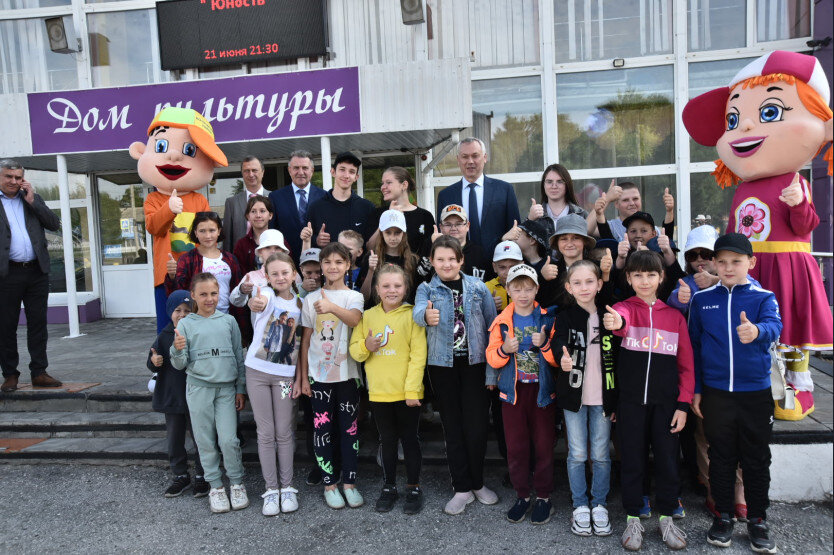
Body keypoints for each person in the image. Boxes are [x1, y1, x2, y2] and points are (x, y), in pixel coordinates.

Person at [683, 50, 833, 421]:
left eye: (769, 112)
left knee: (791, 325)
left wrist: (799, 204)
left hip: (787, 265)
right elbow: (735, 235)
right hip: (751, 269)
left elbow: (807, 226)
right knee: (753, 326)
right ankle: (764, 381)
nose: (746, 126)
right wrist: (721, 271)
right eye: (734, 119)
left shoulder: (795, 180)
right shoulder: (742, 188)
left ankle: (798, 387)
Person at [688, 233, 783, 553]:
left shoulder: (764, 297)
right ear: (714, 263)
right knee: (721, 456)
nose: (728, 268)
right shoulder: (702, 300)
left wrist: (757, 331)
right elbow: (694, 347)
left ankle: (758, 519)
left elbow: (775, 327)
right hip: (716, 393)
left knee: (756, 458)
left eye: (736, 261)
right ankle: (724, 516)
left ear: (751, 262)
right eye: (722, 261)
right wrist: (697, 390)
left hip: (755, 393)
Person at [603, 250, 694, 551]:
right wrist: (616, 321)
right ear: (628, 278)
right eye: (638, 275)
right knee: (632, 460)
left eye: (651, 275)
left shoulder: (675, 317)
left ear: (661, 277)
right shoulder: (624, 308)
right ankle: (633, 518)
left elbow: (686, 366)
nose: (644, 281)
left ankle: (666, 517)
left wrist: (683, 405)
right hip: (630, 404)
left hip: (666, 406)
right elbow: (621, 321)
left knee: (668, 460)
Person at [413, 235, 498, 515]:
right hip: (443, 367)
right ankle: (461, 488)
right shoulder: (427, 289)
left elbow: (491, 327)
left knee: (477, 426)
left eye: (452, 258)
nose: (446, 264)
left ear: (461, 260)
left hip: (475, 365)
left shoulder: (478, 287)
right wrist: (426, 317)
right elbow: (417, 312)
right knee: (453, 427)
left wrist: (491, 373)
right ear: (432, 262)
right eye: (440, 259)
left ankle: (477, 483)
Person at [131, 107, 223, 333]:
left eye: (189, 150)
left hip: (195, 275)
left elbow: (207, 237)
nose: (174, 156)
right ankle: (163, 357)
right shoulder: (153, 199)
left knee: (197, 325)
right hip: (166, 276)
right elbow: (153, 227)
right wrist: (168, 209)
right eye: (162, 147)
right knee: (167, 325)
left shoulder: (199, 200)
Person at [545, 260, 617, 537]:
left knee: (600, 454)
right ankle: (580, 505)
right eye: (577, 282)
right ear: (569, 287)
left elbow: (620, 356)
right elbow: (557, 343)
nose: (584, 287)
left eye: (589, 281)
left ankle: (599, 503)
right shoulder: (564, 317)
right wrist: (561, 358)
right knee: (576, 454)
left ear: (599, 284)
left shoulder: (610, 315)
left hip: (604, 397)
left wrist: (617, 399)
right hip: (574, 396)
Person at [349, 263, 427, 514]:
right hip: (379, 392)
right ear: (377, 289)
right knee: (388, 441)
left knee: (410, 440)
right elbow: (355, 351)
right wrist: (366, 346)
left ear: (405, 288)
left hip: (407, 394)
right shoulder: (368, 316)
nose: (392, 290)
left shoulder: (413, 315)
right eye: (386, 286)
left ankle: (413, 487)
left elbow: (418, 356)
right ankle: (389, 486)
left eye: (397, 285)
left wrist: (412, 391)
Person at [169, 272, 248, 514]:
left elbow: (238, 356)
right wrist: (176, 349)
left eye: (213, 293)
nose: (209, 299)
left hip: (226, 390)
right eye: (203, 294)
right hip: (199, 389)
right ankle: (215, 486)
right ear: (193, 295)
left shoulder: (228, 321)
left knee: (229, 440)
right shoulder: (186, 324)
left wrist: (240, 388)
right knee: (205, 441)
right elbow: (180, 364)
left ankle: (236, 483)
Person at [485, 264, 557, 525]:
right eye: (517, 288)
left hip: (541, 392)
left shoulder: (547, 319)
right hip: (513, 394)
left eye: (528, 288)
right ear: (508, 290)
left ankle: (544, 497)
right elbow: (492, 358)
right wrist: (504, 349)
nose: (523, 294)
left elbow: (557, 360)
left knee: (543, 445)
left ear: (537, 289)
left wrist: (545, 344)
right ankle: (522, 495)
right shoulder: (501, 321)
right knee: (516, 447)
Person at [298, 242, 365, 509]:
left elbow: (354, 320)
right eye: (327, 262)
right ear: (321, 266)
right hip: (319, 375)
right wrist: (303, 377)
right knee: (322, 430)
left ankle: (349, 483)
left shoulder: (354, 296)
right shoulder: (310, 299)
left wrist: (331, 307)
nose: (332, 267)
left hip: (348, 375)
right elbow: (305, 340)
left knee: (349, 430)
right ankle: (329, 483)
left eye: (339, 262)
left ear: (348, 265)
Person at [245, 252, 303, 516]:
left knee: (284, 431)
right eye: (274, 273)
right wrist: (255, 302)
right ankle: (271, 490)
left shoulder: (301, 304)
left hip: (284, 378)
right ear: (267, 277)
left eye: (285, 272)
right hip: (257, 373)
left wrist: (299, 378)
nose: (280, 277)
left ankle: (287, 487)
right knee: (266, 432)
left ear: (294, 274)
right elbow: (259, 301)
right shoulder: (267, 295)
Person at [0, 160, 62, 392]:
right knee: (6, 326)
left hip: (36, 271)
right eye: (9, 176)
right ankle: (10, 374)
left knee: (38, 323)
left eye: (18, 177)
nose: (14, 181)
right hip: (7, 273)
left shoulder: (32, 199)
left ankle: (39, 372)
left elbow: (54, 224)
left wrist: (33, 201)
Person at [146, 289, 208, 498]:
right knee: (174, 439)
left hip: (196, 396)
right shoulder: (164, 335)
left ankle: (202, 474)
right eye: (177, 310)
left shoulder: (198, 333)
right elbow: (152, 359)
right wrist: (155, 361)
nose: (182, 315)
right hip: (172, 397)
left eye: (187, 310)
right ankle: (180, 474)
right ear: (170, 312)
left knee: (201, 437)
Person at [436, 137, 521, 255]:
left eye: (475, 156)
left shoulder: (504, 190)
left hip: (497, 261)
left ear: (485, 157)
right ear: (458, 160)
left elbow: (515, 230)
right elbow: (442, 234)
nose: (470, 161)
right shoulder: (445, 195)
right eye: (465, 157)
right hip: (459, 262)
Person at [173, 212, 243, 317]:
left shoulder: (230, 259)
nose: (207, 236)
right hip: (198, 318)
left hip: (227, 316)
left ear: (219, 231)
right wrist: (171, 276)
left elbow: (237, 291)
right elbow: (180, 292)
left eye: (212, 230)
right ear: (195, 232)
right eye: (202, 231)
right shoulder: (187, 259)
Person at [613, 211, 685, 303]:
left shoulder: (660, 253)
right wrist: (621, 257)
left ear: (653, 234)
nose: (638, 235)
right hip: (631, 308)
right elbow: (618, 284)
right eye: (633, 231)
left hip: (662, 307)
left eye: (644, 231)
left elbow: (676, 277)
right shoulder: (624, 254)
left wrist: (667, 251)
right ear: (626, 234)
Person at [269, 150, 326, 265]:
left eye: (305, 168)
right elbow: (273, 231)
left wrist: (316, 239)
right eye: (296, 168)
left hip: (316, 261)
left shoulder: (324, 196)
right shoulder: (275, 197)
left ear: (312, 170)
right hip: (285, 260)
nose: (300, 172)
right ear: (289, 170)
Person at [308, 152, 375, 248]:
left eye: (352, 172)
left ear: (356, 177)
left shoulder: (367, 208)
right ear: (333, 172)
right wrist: (316, 240)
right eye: (342, 170)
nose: (346, 175)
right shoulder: (316, 207)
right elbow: (307, 240)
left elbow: (371, 244)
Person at [367, 167, 435, 258]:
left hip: (415, 267)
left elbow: (431, 251)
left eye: (388, 182)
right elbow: (370, 248)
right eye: (382, 183)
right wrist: (388, 217)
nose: (383, 187)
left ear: (404, 185)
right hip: (385, 267)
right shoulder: (378, 213)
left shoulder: (425, 216)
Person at [359, 209, 419, 304]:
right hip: (375, 311)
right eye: (388, 232)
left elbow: (416, 296)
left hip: (404, 312)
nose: (392, 238)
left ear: (403, 233)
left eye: (397, 232)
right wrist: (370, 271)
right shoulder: (371, 257)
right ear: (381, 233)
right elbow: (363, 298)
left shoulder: (412, 260)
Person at [589, 181, 675, 242]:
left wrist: (670, 210)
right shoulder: (611, 226)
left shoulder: (653, 229)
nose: (632, 203)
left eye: (635, 199)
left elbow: (668, 246)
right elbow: (586, 230)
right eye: (625, 200)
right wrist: (607, 198)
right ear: (616, 204)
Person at [229, 229, 290, 313]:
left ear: (283, 251)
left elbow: (299, 300)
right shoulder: (251, 276)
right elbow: (235, 302)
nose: (273, 251)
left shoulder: (293, 275)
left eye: (277, 247)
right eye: (268, 247)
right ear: (260, 252)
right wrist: (242, 290)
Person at [430, 204, 493, 281]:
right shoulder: (431, 247)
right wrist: (435, 247)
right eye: (448, 224)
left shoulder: (480, 253)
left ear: (467, 226)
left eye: (458, 224)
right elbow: (422, 275)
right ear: (441, 227)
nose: (453, 228)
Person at [528, 163, 588, 239]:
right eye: (549, 182)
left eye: (559, 182)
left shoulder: (580, 214)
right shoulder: (535, 214)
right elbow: (520, 242)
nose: (554, 186)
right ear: (544, 185)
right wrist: (529, 220)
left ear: (567, 185)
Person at [223, 156, 268, 250]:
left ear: (263, 172)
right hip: (240, 256)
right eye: (246, 171)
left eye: (254, 170)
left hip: (269, 254)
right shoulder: (231, 203)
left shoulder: (274, 198)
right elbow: (227, 239)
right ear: (242, 174)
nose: (251, 174)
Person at [233, 195, 287, 273]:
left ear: (270, 215)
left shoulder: (280, 241)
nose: (258, 215)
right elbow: (238, 273)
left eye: (262, 211)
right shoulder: (241, 245)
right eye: (253, 211)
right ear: (248, 216)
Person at [486, 240, 525, 313]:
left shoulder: (529, 288)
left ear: (522, 266)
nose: (508, 272)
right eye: (502, 267)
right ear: (494, 267)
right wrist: (488, 308)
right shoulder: (486, 288)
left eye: (512, 267)